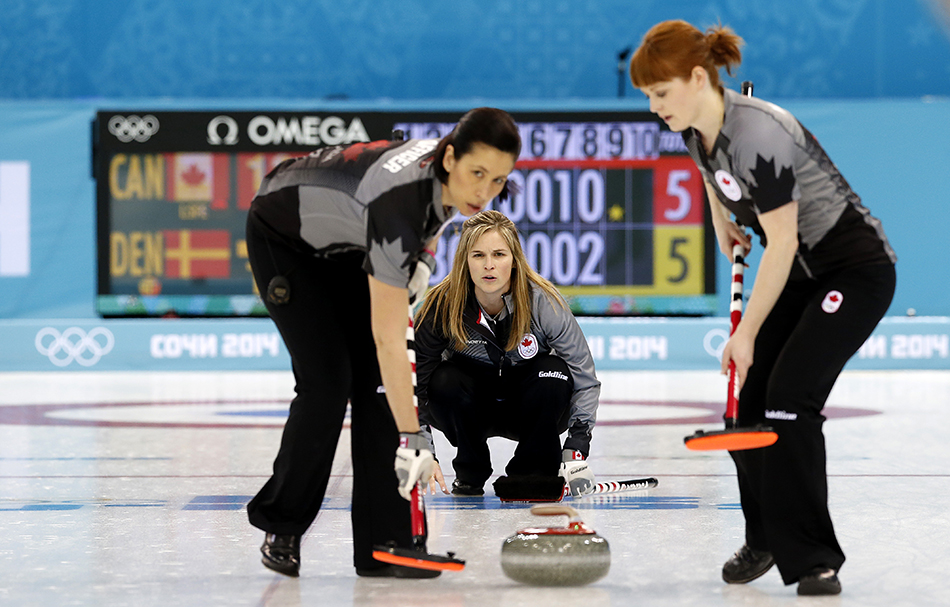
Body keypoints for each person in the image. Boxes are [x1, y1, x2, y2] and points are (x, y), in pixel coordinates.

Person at [630, 20, 896, 596]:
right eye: (648, 97)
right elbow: (711, 173)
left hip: (851, 270)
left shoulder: (759, 134)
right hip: (800, 276)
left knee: (788, 401)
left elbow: (784, 243)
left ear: (698, 77)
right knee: (748, 405)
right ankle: (766, 535)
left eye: (661, 93)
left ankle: (816, 559)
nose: (655, 108)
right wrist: (722, 220)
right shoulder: (695, 128)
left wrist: (747, 331)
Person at [244, 107, 521, 578]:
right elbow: (390, 340)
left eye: (498, 181)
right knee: (329, 381)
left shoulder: (441, 187)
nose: (485, 192)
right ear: (450, 156)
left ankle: (385, 543)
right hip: (285, 237)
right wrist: (414, 439)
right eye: (478, 173)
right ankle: (282, 523)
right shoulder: (400, 207)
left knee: (376, 389)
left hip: (347, 240)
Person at [413, 210, 600, 501]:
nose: (489, 266)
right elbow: (416, 384)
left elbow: (584, 378)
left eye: (499, 254)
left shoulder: (543, 302)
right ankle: (470, 472)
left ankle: (534, 473)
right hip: (471, 407)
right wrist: (423, 450)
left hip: (529, 407)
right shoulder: (441, 305)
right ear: (464, 260)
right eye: (478, 255)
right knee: (443, 379)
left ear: (514, 259)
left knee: (554, 371)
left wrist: (577, 444)